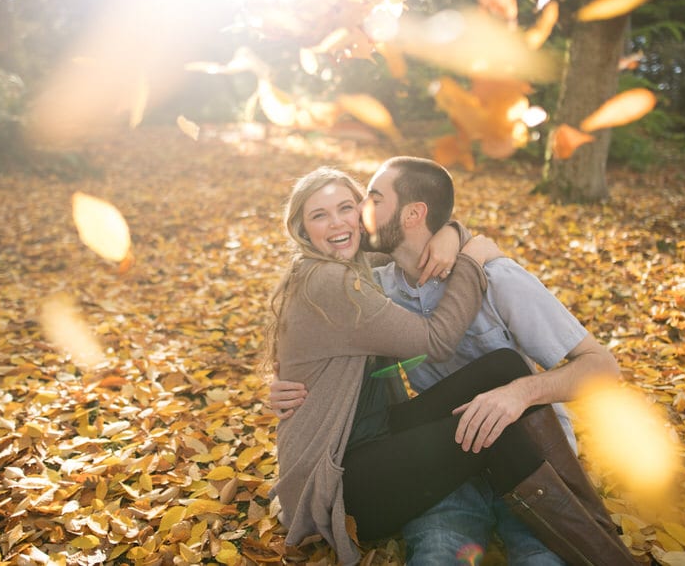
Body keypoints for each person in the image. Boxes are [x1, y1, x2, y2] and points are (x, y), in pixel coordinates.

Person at [271, 157, 638, 566]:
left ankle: (592, 536)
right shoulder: (366, 283)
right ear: (303, 229)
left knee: (504, 372)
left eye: (360, 203)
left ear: (413, 214)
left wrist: (518, 394)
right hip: (378, 466)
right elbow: (435, 340)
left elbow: (604, 369)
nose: (354, 217)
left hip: (494, 439)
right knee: (441, 550)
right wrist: (468, 257)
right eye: (321, 215)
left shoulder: (485, 277)